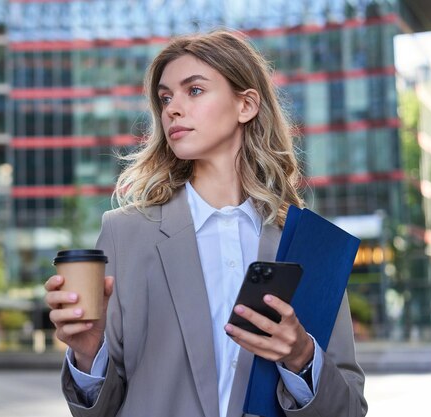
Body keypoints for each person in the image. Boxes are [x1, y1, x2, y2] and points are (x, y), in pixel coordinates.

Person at [45, 30, 367, 417]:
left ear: (246, 105)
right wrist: (87, 353)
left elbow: (349, 409)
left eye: (193, 91)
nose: (172, 109)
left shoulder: (310, 246)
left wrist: (301, 355)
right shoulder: (125, 232)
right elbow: (98, 410)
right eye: (165, 97)